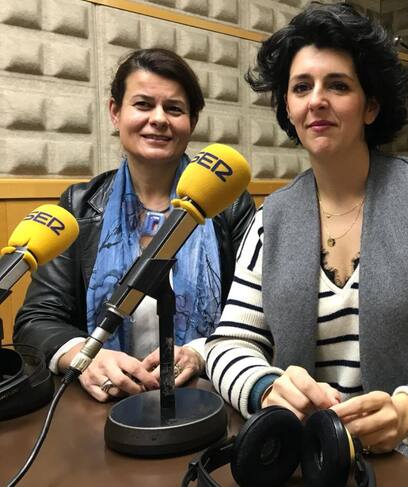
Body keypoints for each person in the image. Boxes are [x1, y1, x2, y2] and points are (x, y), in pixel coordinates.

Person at [206, 3, 408, 485]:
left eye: (338, 85)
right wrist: (265, 387)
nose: (316, 100)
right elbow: (228, 343)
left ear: (370, 106)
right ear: (288, 108)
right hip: (321, 456)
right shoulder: (270, 220)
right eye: (301, 87)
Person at [13, 48, 256, 403]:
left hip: (203, 399)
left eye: (174, 109)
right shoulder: (78, 206)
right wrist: (83, 355)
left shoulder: (229, 205)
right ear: (115, 112)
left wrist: (200, 353)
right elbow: (37, 319)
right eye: (143, 105)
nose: (158, 119)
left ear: (192, 121)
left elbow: (253, 316)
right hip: (102, 404)